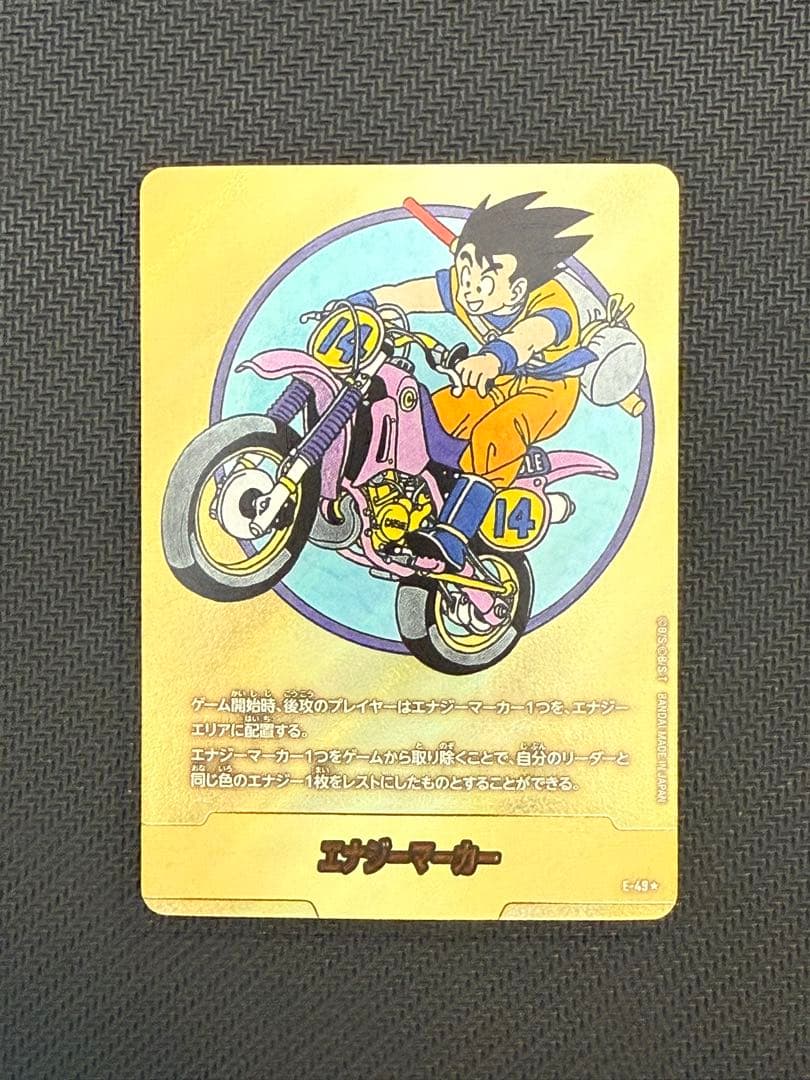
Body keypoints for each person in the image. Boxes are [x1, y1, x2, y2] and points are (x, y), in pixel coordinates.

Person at [348, 192, 596, 571]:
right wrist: (363, 302)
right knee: (436, 413)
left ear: (517, 288)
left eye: (486, 280)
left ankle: (454, 534)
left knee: (498, 430)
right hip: (493, 380)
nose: (468, 286)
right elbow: (410, 294)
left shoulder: (553, 305)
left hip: (547, 391)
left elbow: (531, 335)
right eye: (465, 269)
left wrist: (494, 357)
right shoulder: (465, 288)